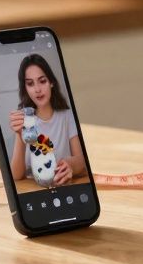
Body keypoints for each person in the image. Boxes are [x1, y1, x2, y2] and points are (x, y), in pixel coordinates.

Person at [7, 54, 87, 186]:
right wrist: (18, 134)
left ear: (51, 82)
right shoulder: (25, 120)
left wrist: (70, 165)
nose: (37, 89)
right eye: (30, 84)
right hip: (35, 190)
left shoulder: (67, 116)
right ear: (25, 89)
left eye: (42, 81)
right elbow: (16, 175)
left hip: (64, 187)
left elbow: (81, 159)